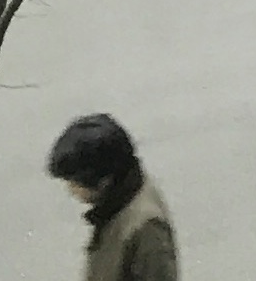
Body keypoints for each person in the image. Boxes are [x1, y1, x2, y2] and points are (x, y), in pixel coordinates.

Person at [47, 115, 176, 281]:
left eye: (74, 183)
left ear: (104, 181)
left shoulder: (146, 227)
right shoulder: (117, 203)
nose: (71, 190)